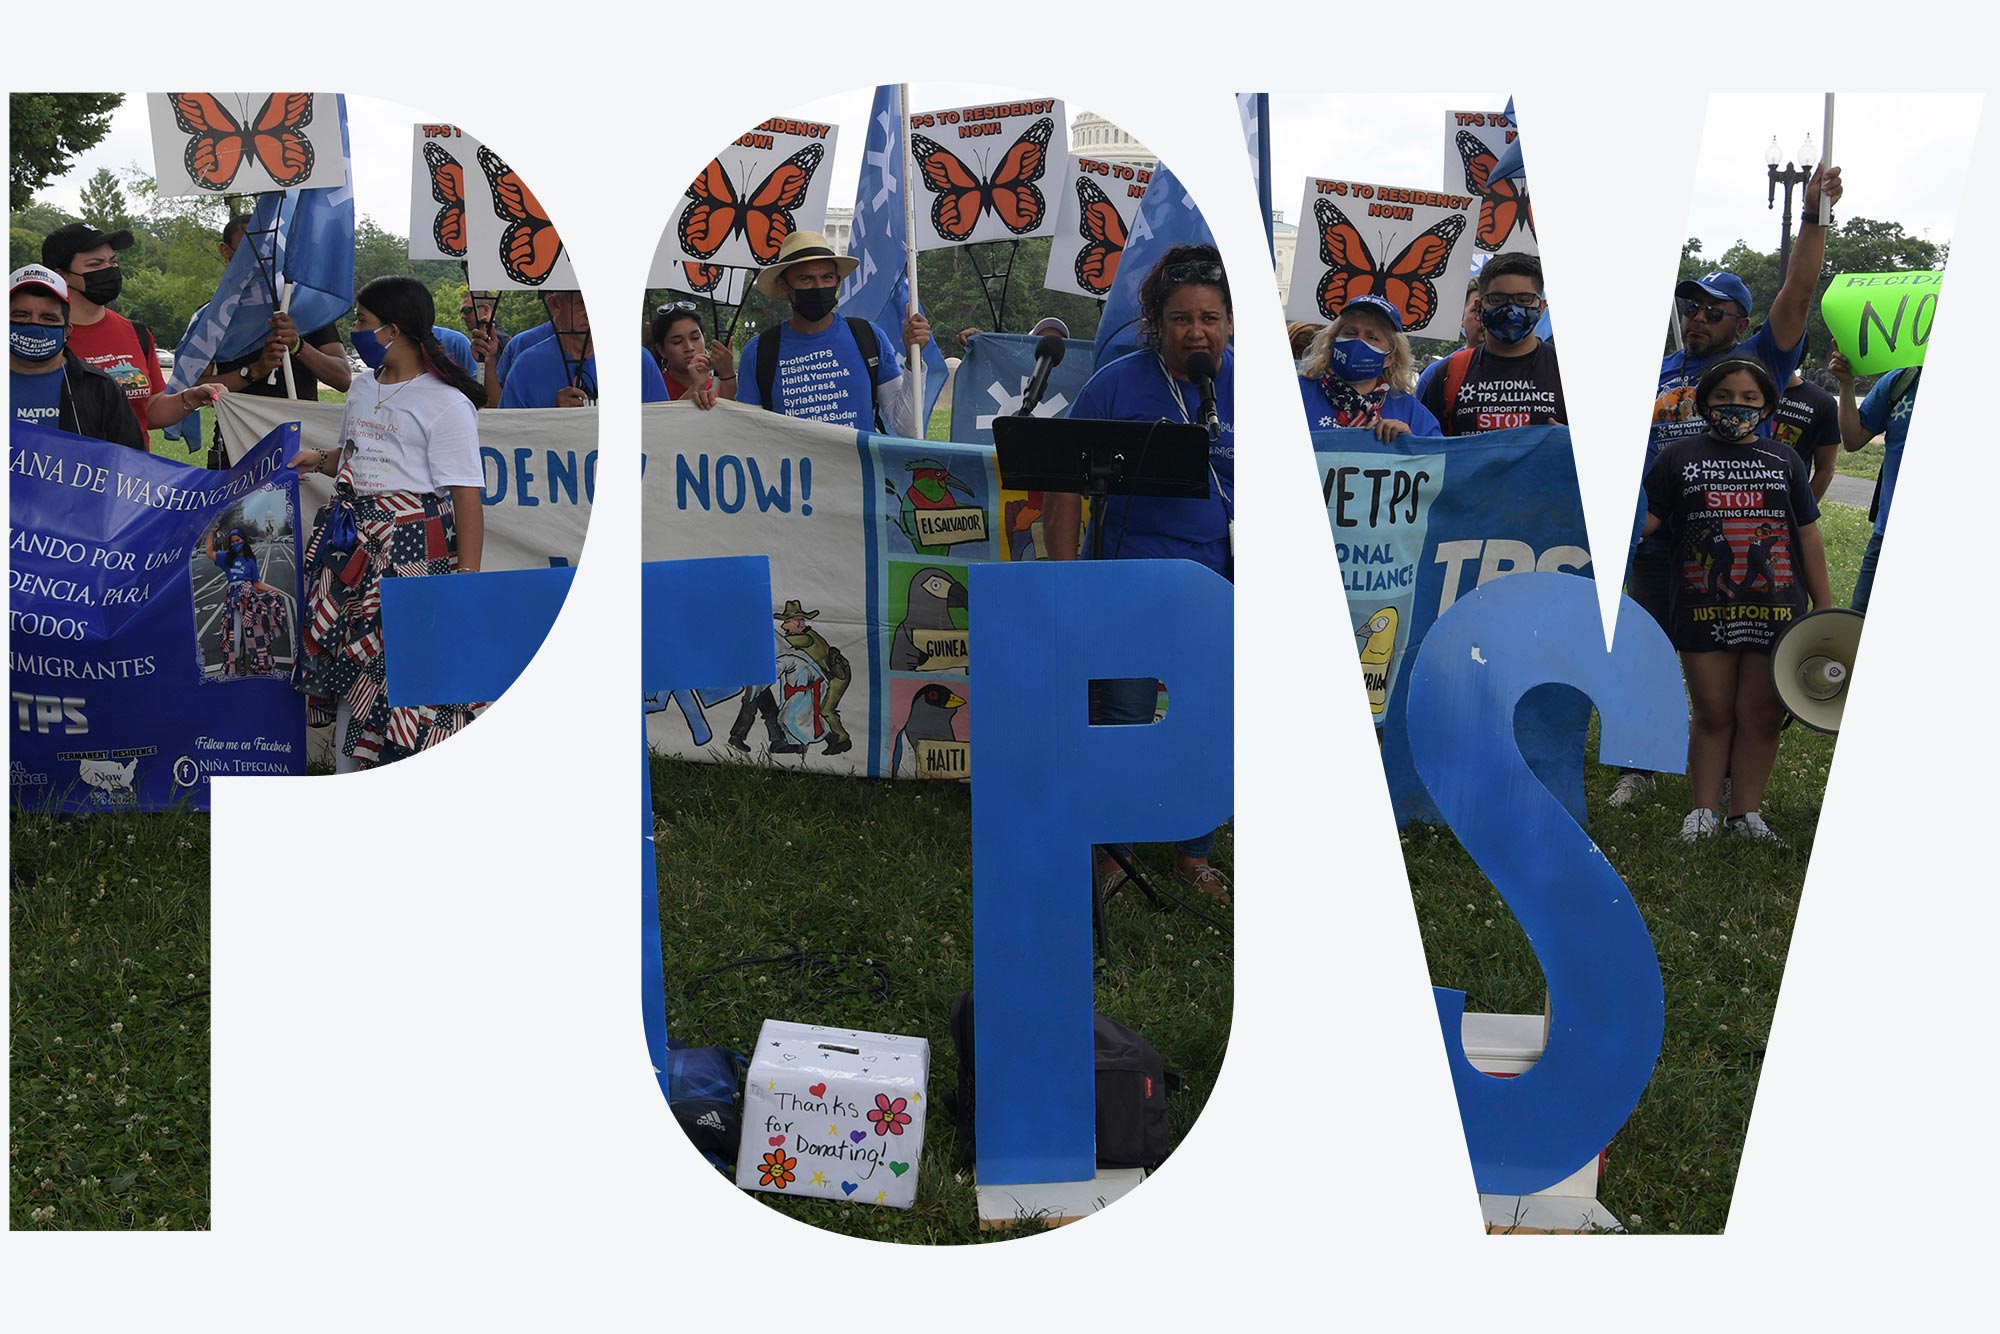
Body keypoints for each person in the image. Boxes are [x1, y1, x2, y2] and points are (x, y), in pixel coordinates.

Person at [1613, 162, 1844, 809]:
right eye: (1690, 307)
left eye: (1712, 310)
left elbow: (1797, 296)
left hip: (1724, 553)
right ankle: (1639, 763)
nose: (1696, 317)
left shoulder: (1752, 366)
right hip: (1658, 540)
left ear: (1739, 323)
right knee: (1644, 654)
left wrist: (1813, 217)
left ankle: (1732, 789)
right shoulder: (1658, 369)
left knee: (1729, 674)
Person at [1042, 243, 1235, 904]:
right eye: (1181, 318)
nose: (1197, 331)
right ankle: (1113, 856)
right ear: (1157, 323)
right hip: (1125, 585)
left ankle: (1192, 853)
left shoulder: (1254, 389)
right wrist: (1067, 583)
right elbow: (1063, 488)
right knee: (1121, 715)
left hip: (1219, 587)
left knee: (1207, 717)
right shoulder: (1116, 383)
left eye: (1210, 317)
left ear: (1230, 323)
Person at [286, 276, 489, 771]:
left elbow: (466, 496)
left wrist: (464, 581)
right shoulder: (360, 388)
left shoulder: (446, 403)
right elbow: (360, 458)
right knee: (350, 661)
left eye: (362, 321)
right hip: (350, 547)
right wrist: (319, 459)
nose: (356, 329)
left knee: (405, 666)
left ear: (392, 330)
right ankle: (347, 771)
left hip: (414, 552)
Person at [1641, 357, 1831, 847]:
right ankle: (1702, 812)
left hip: (1776, 607)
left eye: (1749, 398)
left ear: (1767, 405)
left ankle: (1746, 815)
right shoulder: (1676, 459)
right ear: (1704, 403)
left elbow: (1808, 538)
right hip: (1703, 604)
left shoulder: (1785, 460)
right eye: (1724, 397)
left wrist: (1825, 614)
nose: (1736, 407)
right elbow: (1646, 524)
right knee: (1712, 710)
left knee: (1763, 715)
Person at [41, 222, 227, 441]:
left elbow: (149, 410)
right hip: (67, 469)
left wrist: (191, 397)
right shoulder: (40, 336)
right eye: (95, 264)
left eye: (113, 261)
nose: (109, 270)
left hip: (129, 472)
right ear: (61, 276)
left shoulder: (136, 333)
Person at [735, 231, 931, 433]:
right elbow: (750, 434)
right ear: (784, 287)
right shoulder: (760, 352)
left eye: (827, 277)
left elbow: (907, 426)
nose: (819, 287)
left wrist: (912, 359)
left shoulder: (868, 337)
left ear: (838, 282)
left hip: (858, 465)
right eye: (805, 279)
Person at [1418, 251, 1564, 435]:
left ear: (1541, 307)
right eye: (1497, 300)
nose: (1511, 310)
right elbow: (1426, 449)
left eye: (1524, 300)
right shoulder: (1447, 374)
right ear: (1480, 307)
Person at [9, 263, 146, 448]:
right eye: (21, 315)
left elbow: (132, 464)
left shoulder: (101, 389)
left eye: (48, 318)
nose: (34, 324)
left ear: (67, 331)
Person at [1828, 345, 1916, 614]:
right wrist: (1846, 385)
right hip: (1886, 533)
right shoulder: (1903, 380)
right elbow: (1853, 439)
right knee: (1857, 625)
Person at [1297, 294, 1443, 441]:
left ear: (1389, 358)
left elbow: (1436, 459)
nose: (1358, 343)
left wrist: (1412, 445)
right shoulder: (1300, 391)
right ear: (1332, 342)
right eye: (1350, 333)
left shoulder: (1412, 413)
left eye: (1372, 338)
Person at [498, 289, 670, 407]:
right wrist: (551, 418)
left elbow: (662, 429)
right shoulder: (526, 367)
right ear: (555, 305)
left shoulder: (639, 362)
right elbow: (509, 439)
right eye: (583, 303)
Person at [205, 523, 286, 677]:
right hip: (234, 602)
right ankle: (236, 663)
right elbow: (209, 552)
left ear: (244, 540)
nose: (235, 544)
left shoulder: (250, 560)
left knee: (253, 631)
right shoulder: (226, 558)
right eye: (233, 542)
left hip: (250, 600)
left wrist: (274, 590)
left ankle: (255, 663)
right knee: (234, 633)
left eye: (238, 540)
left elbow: (256, 583)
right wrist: (212, 532)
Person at [1770, 348, 1840, 502]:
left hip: (1785, 505)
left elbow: (1825, 470)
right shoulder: (1738, 393)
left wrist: (1803, 514)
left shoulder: (1822, 403)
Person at [1413, 277, 1484, 403]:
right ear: (1461, 317)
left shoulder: (1525, 370)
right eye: (1477, 310)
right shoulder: (1437, 373)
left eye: (1490, 310)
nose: (1484, 318)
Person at [651, 301, 735, 407]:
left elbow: (731, 417)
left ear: (704, 338)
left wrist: (728, 373)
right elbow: (664, 421)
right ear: (661, 350)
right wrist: (696, 386)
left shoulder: (719, 383)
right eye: (677, 341)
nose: (689, 347)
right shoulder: (655, 387)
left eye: (695, 338)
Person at [462, 291, 509, 407]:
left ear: (486, 310)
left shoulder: (495, 343)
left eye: (467, 310)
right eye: (461, 311)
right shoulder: (498, 340)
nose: (462, 316)